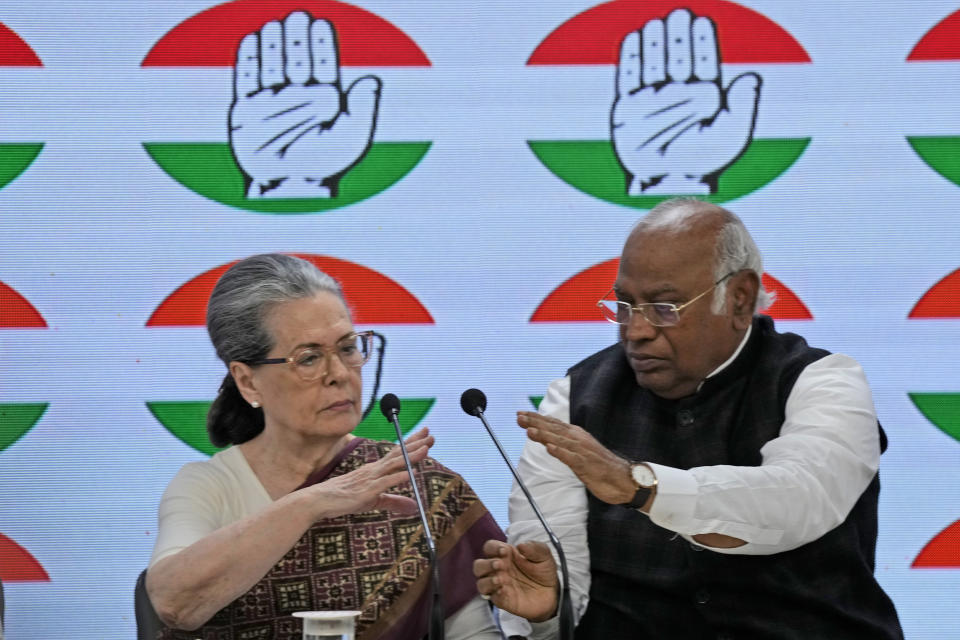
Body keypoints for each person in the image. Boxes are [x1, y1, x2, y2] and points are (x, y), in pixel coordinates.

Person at [474, 198, 904, 639]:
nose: (636, 330)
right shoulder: (575, 399)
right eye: (624, 306)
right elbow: (555, 568)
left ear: (738, 299)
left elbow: (799, 500)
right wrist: (548, 609)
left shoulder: (822, 381)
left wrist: (640, 487)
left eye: (664, 307)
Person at [147, 254, 503, 640]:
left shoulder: (415, 482)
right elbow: (173, 602)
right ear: (248, 382)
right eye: (310, 358)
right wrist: (313, 503)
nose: (338, 374)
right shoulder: (210, 486)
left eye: (348, 348)